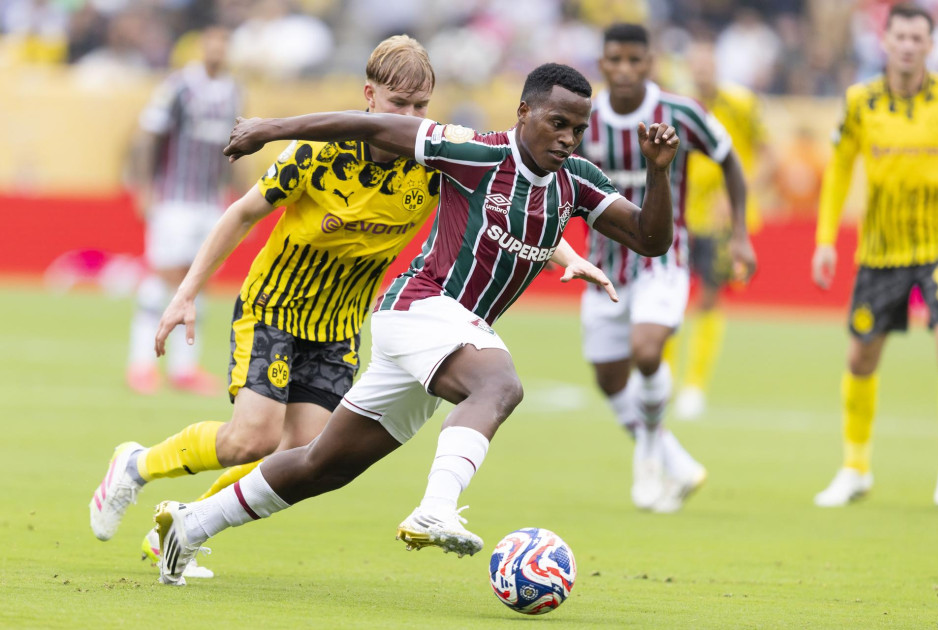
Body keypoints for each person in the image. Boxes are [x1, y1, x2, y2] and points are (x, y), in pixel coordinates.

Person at [151, 62, 680, 586]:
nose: (567, 138)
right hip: (421, 306)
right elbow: (367, 126)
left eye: (578, 129)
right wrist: (271, 129)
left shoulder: (577, 182)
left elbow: (651, 239)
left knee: (322, 465)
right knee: (499, 385)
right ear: (524, 112)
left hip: (447, 334)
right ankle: (435, 510)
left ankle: (191, 523)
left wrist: (658, 172)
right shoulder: (475, 151)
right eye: (557, 123)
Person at [91, 35, 445, 575]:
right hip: (274, 307)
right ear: (369, 96)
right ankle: (136, 465)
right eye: (400, 104)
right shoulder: (320, 152)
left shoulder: (434, 162)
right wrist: (186, 293)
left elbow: (499, 196)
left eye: (421, 106)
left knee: (299, 455)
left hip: (338, 326)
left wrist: (561, 253)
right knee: (249, 440)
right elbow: (241, 213)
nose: (412, 119)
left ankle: (182, 526)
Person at [578, 23, 755, 513]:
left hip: (664, 260)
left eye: (635, 60)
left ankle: (649, 457)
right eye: (615, 60)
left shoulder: (679, 112)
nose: (625, 70)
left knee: (647, 350)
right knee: (608, 378)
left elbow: (729, 159)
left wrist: (740, 232)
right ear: (602, 63)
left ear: (650, 63)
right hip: (604, 265)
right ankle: (675, 461)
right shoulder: (584, 118)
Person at [812, 4, 938, 508]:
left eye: (917, 38)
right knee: (861, 356)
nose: (908, 46)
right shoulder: (859, 101)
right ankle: (855, 468)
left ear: (930, 45)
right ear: (885, 41)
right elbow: (839, 168)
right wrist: (825, 240)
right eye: (900, 37)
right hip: (882, 251)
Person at [125, 24, 241, 396]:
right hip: (174, 199)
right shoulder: (178, 87)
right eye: (212, 43)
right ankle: (141, 365)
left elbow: (237, 148)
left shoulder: (233, 91)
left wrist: (239, 199)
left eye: (223, 44)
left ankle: (183, 368)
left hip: (210, 202)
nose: (217, 50)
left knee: (198, 280)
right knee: (163, 277)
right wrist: (144, 188)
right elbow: (148, 136)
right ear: (201, 47)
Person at [673, 34, 774, 420]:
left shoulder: (740, 104)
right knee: (670, 295)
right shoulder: (678, 108)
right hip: (679, 217)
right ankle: (663, 379)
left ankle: (694, 385)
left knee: (709, 297)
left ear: (717, 66)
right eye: (695, 65)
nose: (702, 71)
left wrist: (736, 198)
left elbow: (769, 159)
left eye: (707, 64)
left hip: (720, 221)